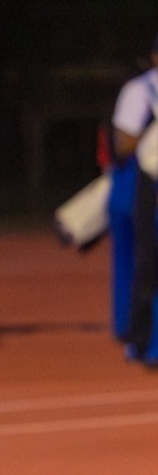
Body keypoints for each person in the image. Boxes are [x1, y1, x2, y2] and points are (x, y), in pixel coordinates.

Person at [104, 37, 157, 348]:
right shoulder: (141, 90)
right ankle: (135, 333)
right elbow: (123, 146)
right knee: (138, 260)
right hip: (136, 182)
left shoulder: (138, 90)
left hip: (136, 183)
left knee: (136, 262)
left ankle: (131, 331)